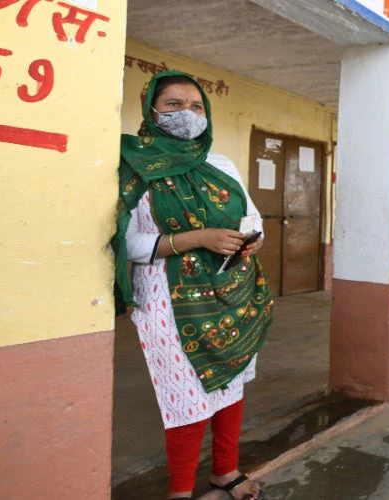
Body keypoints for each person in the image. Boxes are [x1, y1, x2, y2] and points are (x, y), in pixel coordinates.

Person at [112, 71, 271, 500]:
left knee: (230, 382)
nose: (188, 114)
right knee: (184, 395)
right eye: (174, 105)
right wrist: (198, 238)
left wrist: (252, 243)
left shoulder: (220, 165)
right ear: (151, 110)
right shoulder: (133, 164)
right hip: (168, 299)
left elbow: (252, 220)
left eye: (197, 106)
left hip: (231, 293)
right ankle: (180, 491)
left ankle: (226, 470)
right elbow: (123, 241)